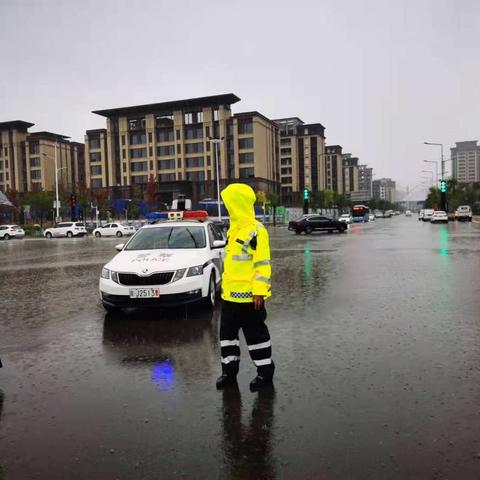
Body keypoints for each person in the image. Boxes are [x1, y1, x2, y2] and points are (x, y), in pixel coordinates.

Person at [216, 183, 275, 391]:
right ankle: (229, 372)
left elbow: (262, 263)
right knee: (227, 339)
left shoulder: (257, 231)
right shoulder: (233, 230)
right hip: (230, 298)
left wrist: (259, 291)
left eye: (229, 203)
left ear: (238, 204)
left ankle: (265, 374)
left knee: (257, 338)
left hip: (251, 299)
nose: (227, 207)